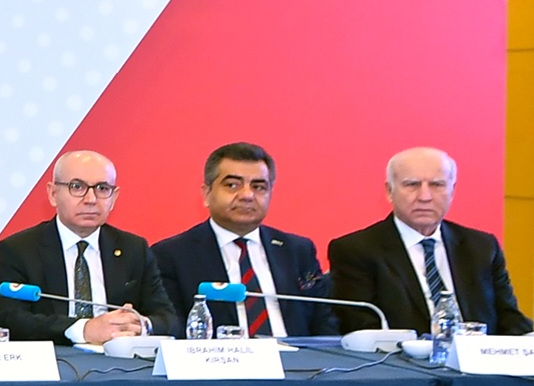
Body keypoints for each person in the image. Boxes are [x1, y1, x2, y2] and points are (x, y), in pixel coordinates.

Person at [328, 147, 530, 335]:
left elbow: (509, 318)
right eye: (412, 185)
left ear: (452, 190)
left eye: (437, 185)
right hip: (402, 360)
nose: (425, 197)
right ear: (389, 191)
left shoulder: (482, 247)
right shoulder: (356, 250)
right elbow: (362, 328)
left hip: (477, 358)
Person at [0, 149, 174, 341]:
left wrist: (140, 325)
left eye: (102, 188)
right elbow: (9, 320)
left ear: (114, 197)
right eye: (77, 187)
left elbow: (168, 319)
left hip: (118, 356)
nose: (91, 200)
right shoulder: (19, 249)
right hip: (57, 356)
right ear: (53, 193)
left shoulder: (133, 249)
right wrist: (84, 329)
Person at [153, 142, 332, 337]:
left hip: (295, 355)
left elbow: (324, 322)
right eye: (232, 185)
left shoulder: (297, 250)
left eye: (259, 187)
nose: (247, 195)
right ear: (206, 194)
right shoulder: (171, 255)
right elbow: (172, 327)